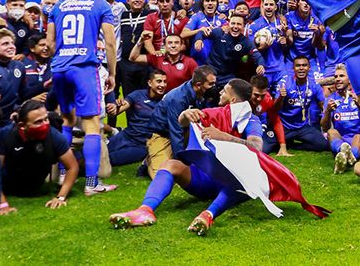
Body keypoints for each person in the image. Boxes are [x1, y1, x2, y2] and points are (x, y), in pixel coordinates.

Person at [109, 79, 264, 232]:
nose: (220, 92)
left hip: (231, 182)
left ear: (233, 99)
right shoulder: (214, 113)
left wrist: (225, 136)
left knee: (239, 179)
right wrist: (185, 114)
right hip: (206, 178)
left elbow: (257, 146)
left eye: (224, 91)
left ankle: (208, 215)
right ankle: (144, 211)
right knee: (169, 165)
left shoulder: (251, 120)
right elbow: (182, 122)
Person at [47, 0, 118, 196]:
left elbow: (49, 43)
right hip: (83, 68)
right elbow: (109, 43)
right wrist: (113, 74)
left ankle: (60, 174)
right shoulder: (100, 5)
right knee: (91, 123)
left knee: (67, 119)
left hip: (59, 68)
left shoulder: (59, 5)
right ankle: (91, 183)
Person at [0, 100, 79, 211]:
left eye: (46, 119)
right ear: (22, 125)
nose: (45, 124)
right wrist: (3, 204)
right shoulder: (5, 135)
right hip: (7, 184)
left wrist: (61, 197)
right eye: (38, 122)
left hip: (36, 186)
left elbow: (72, 167)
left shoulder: (55, 136)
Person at [146, 66, 217, 178]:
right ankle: (149, 160)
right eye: (211, 84)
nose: (214, 87)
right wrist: (181, 165)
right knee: (165, 175)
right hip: (162, 134)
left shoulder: (203, 93)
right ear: (198, 85)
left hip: (187, 131)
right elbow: (175, 131)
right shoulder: (178, 98)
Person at [265, 57, 327, 153]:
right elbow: (275, 109)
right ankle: (284, 141)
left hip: (302, 127)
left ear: (309, 68)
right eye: (298, 66)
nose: (301, 68)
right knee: (265, 148)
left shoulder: (314, 85)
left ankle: (292, 145)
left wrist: (327, 112)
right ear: (293, 68)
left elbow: (323, 106)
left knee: (322, 144)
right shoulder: (285, 83)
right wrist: (281, 97)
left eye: (304, 65)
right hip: (283, 126)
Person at [108, 70, 168, 167]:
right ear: (149, 82)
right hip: (126, 135)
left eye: (165, 82)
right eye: (159, 81)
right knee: (99, 152)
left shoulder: (167, 101)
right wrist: (115, 107)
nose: (162, 85)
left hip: (141, 145)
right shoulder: (137, 95)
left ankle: (82, 171)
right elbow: (116, 111)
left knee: (110, 159)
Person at [321, 64, 360, 173]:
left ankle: (346, 157)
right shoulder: (331, 99)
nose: (338, 79)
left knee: (358, 137)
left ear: (350, 79)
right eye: (336, 77)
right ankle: (345, 154)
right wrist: (328, 111)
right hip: (341, 140)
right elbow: (325, 127)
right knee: (331, 132)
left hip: (359, 141)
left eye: (341, 76)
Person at [129, 32, 197, 92]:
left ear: (181, 46)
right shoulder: (158, 58)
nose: (173, 46)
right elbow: (133, 58)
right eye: (170, 43)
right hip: (160, 100)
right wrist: (141, 40)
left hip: (182, 101)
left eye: (176, 43)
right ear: (164, 46)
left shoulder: (190, 62)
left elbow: (197, 83)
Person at [118, 0, 151, 96]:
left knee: (144, 97)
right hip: (126, 63)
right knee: (128, 97)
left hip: (143, 62)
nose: (137, 0)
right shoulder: (123, 16)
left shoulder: (150, 15)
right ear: (128, 0)